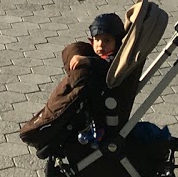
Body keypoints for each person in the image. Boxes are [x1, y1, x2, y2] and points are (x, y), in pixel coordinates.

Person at [17, 12, 126, 151]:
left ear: (116, 42)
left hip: (100, 106)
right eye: (97, 40)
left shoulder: (113, 58)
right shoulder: (101, 53)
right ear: (91, 41)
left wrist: (86, 60)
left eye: (107, 40)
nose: (101, 45)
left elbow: (106, 64)